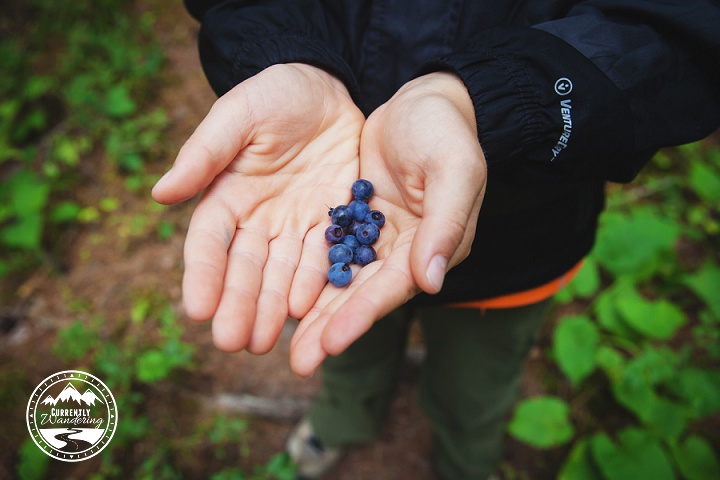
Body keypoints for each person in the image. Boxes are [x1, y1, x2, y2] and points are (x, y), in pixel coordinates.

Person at [152, 1, 720, 478]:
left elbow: (677, 26)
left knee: (476, 385)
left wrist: (493, 98)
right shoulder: (349, 231)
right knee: (346, 342)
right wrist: (287, 53)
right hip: (345, 187)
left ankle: (465, 459)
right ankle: (345, 416)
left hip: (522, 236)